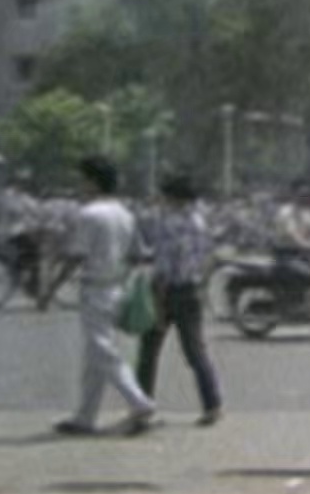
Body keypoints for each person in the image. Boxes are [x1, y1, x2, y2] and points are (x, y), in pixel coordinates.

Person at [53, 157, 157, 437]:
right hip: (117, 286)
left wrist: (52, 287)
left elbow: (76, 256)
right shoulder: (125, 214)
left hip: (95, 288)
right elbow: (138, 254)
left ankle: (139, 401)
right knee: (94, 358)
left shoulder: (89, 215)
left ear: (93, 182)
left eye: (83, 179)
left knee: (103, 351)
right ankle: (85, 416)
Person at [135, 174, 223, 427]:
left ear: (172, 197)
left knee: (149, 350)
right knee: (195, 351)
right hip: (192, 289)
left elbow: (165, 266)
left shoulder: (167, 224)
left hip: (169, 291)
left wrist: (157, 301)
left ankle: (142, 406)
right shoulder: (200, 221)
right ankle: (212, 404)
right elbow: (210, 257)